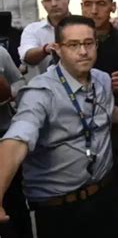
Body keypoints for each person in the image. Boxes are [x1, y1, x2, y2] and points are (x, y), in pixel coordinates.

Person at [0, 15, 118, 238]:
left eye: (89, 43)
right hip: (60, 210)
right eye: (73, 44)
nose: (83, 51)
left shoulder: (102, 80)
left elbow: (105, 112)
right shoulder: (40, 93)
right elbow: (18, 139)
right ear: (58, 49)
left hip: (106, 198)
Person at [81, 0, 118, 238]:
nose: (94, 10)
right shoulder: (72, 42)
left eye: (100, 4)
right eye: (88, 4)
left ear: (112, 7)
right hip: (80, 136)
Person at [0, 47, 32, 238]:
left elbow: (19, 84)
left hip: (4, 137)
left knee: (14, 206)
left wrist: (7, 93)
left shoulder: (0, 53)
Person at [18, 0, 70, 77]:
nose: (53, 4)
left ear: (68, 0)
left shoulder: (84, 27)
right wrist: (45, 49)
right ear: (42, 4)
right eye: (48, 0)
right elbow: (27, 57)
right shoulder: (32, 30)